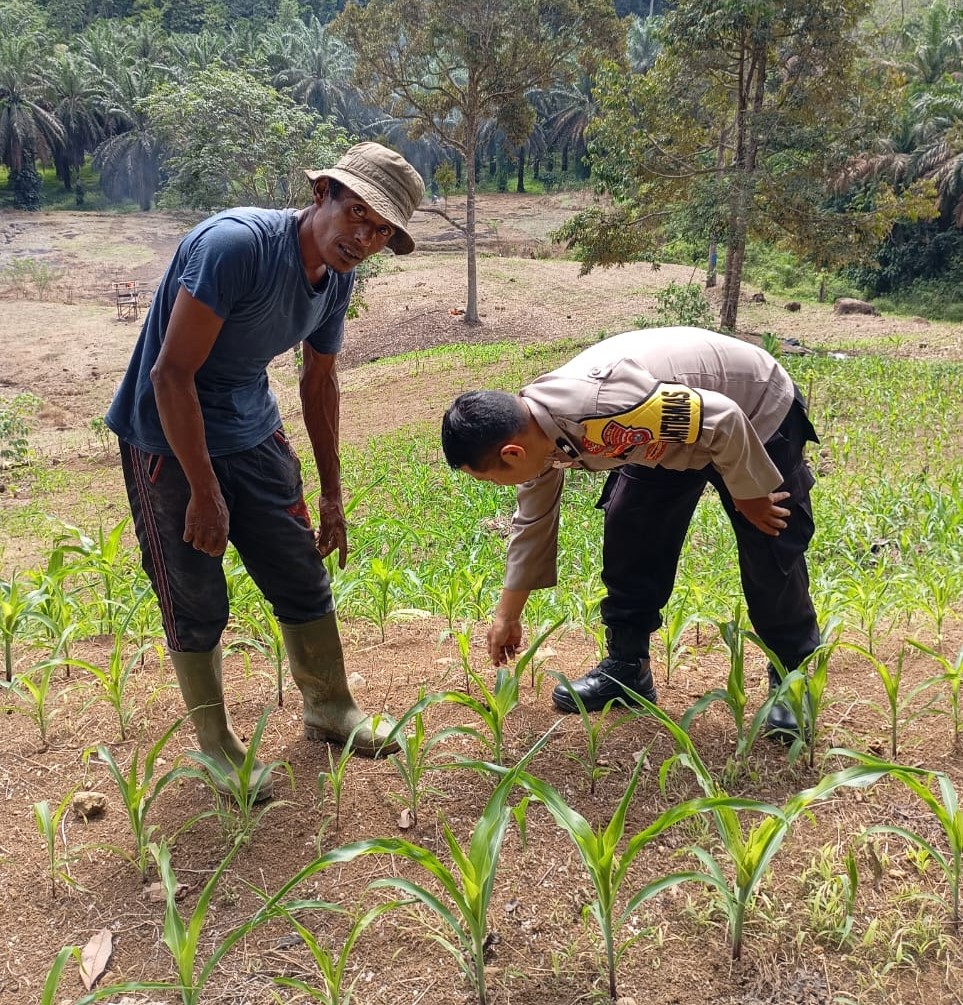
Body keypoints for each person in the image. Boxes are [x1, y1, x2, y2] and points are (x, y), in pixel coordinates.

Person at [105, 142, 425, 799]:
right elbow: (171, 374)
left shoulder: (337, 279)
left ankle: (329, 707)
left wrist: (333, 493)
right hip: (165, 435)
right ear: (322, 196)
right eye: (356, 214)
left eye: (380, 229)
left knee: (297, 567)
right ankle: (217, 746)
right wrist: (202, 488)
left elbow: (319, 381)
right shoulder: (236, 247)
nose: (363, 237)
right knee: (194, 592)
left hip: (250, 428)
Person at [441, 326, 821, 739]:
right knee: (631, 527)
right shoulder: (536, 434)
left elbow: (723, 418)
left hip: (753, 408)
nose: (499, 487)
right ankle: (628, 667)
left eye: (490, 480)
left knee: (770, 544)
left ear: (511, 454)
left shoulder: (603, 408)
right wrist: (507, 616)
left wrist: (748, 492)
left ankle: (792, 679)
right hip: (668, 435)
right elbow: (532, 524)